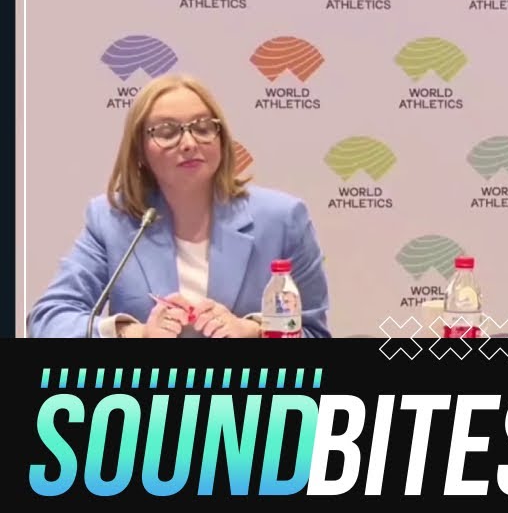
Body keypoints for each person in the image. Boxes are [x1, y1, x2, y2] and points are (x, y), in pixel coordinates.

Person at [28, 73, 331, 338]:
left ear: (221, 139)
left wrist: (253, 331)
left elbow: (313, 332)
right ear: (139, 151)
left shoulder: (282, 219)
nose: (188, 143)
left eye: (203, 127)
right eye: (166, 132)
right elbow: (49, 321)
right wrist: (135, 333)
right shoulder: (112, 220)